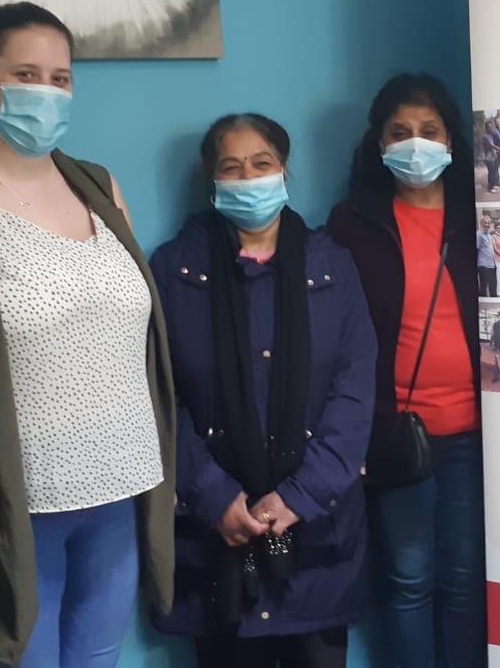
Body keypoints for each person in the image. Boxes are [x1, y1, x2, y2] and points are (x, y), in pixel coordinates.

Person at [0, 2, 176, 667]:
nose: (45, 92)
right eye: (25, 74)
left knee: (99, 658)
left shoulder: (99, 186)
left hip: (124, 484)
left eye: (60, 78)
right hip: (20, 503)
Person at [148, 114, 376, 668]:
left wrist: (297, 496)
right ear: (212, 179)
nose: (248, 178)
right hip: (216, 539)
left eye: (261, 163)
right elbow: (159, 397)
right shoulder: (173, 270)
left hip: (315, 533)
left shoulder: (332, 265)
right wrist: (213, 496)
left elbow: (354, 391)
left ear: (284, 170)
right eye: (231, 167)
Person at [327, 73, 485, 668]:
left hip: (476, 432)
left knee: (465, 577)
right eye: (400, 132)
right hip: (395, 433)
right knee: (409, 578)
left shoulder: (482, 215)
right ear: (379, 143)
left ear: (450, 140)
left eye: (429, 130)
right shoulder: (353, 224)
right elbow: (340, 339)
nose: (415, 144)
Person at [476, 215, 497, 298]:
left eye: (489, 223)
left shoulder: (488, 234)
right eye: (485, 223)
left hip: (492, 264)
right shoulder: (478, 235)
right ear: (481, 223)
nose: (487, 224)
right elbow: (477, 249)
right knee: (484, 286)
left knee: (493, 285)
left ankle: (494, 301)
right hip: (483, 264)